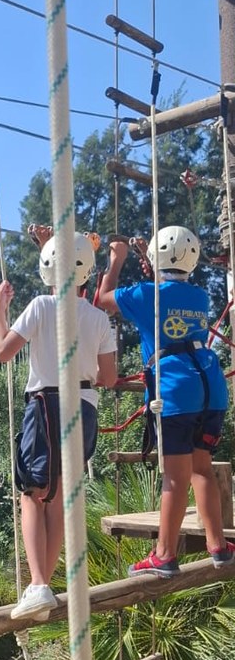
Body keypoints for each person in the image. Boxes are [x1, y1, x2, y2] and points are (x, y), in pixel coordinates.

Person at [97, 224, 234, 577]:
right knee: (201, 468)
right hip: (210, 389)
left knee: (174, 478)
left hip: (175, 391)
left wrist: (116, 260)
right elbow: (171, 289)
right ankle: (218, 546)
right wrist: (149, 262)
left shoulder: (146, 295)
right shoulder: (199, 296)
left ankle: (164, 554)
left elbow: (103, 300)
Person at [0, 232, 117, 620]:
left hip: (46, 404)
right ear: (87, 273)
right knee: (59, 495)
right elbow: (109, 378)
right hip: (84, 406)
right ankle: (41, 584)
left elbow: (2, 352)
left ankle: (38, 584)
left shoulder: (41, 306)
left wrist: (0, 308)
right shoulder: (98, 318)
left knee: (32, 495)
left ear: (47, 267)